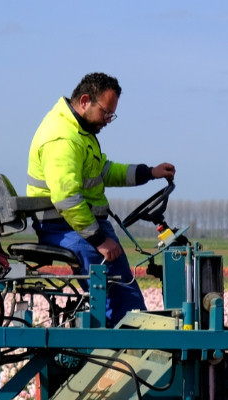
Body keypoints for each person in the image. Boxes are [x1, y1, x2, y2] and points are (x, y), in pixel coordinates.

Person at [27, 72, 176, 327]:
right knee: (122, 302)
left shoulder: (79, 132)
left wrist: (150, 172)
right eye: (106, 113)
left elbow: (104, 171)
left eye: (111, 115)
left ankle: (125, 345)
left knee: (124, 292)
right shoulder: (63, 138)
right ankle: (124, 353)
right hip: (66, 226)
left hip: (80, 224)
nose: (108, 120)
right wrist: (99, 240)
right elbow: (67, 199)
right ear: (85, 101)